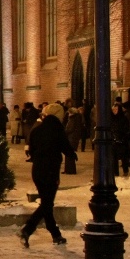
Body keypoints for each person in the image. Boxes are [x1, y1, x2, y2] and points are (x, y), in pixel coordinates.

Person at [18, 102, 76, 248]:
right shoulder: (57, 129)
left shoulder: (38, 128)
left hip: (37, 170)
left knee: (47, 203)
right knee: (47, 203)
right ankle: (27, 229)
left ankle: (55, 234)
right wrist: (72, 154)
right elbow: (66, 147)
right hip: (51, 170)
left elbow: (31, 148)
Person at [110, 102, 130, 177]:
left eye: (116, 109)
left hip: (122, 140)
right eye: (113, 109)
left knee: (123, 156)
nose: (114, 111)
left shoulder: (123, 118)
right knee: (114, 157)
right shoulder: (111, 118)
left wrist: (122, 136)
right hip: (113, 140)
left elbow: (126, 128)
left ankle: (125, 170)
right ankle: (115, 172)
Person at [63, 107, 84, 175]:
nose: (68, 114)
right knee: (69, 154)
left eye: (69, 113)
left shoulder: (73, 119)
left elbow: (70, 128)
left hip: (72, 138)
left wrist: (65, 132)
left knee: (69, 154)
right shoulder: (76, 118)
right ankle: (68, 170)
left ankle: (70, 170)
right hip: (73, 138)